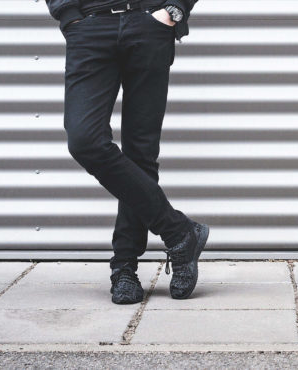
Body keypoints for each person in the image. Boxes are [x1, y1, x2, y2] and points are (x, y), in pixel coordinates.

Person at [44, 0, 207, 305]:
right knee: (85, 140)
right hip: (89, 26)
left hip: (150, 22)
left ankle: (124, 268)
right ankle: (179, 231)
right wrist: (69, 15)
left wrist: (175, 7)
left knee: (141, 152)